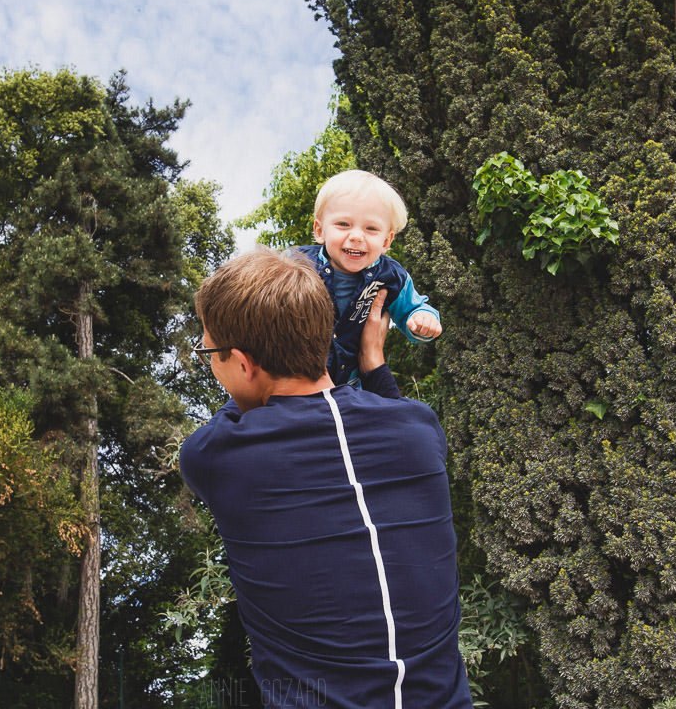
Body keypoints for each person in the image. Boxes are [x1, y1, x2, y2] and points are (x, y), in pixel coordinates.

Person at [180, 249, 473, 708]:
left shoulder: (214, 455)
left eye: (210, 353)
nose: (211, 364)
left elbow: (249, 409)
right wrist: (371, 362)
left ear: (242, 361)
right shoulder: (417, 428)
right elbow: (381, 417)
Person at [296, 170, 442, 386]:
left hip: (352, 385)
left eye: (371, 228)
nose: (356, 236)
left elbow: (414, 307)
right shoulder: (296, 263)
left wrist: (422, 320)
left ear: (386, 241)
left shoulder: (390, 276)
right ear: (319, 230)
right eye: (343, 224)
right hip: (295, 375)